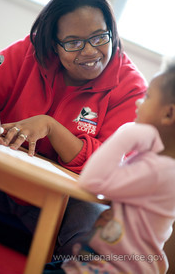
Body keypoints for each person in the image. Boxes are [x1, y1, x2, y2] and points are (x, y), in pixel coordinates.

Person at [0, 0, 146, 256]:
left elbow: (110, 169)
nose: (90, 51)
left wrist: (51, 127)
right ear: (54, 44)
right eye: (74, 43)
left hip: (61, 202)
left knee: (99, 230)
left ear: (112, 32)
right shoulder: (31, 51)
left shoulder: (132, 88)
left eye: (100, 37)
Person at [50, 58, 175, 273]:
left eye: (147, 97)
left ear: (168, 114)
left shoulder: (161, 171)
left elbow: (92, 181)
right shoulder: (155, 162)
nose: (139, 103)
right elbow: (110, 179)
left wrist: (126, 133)